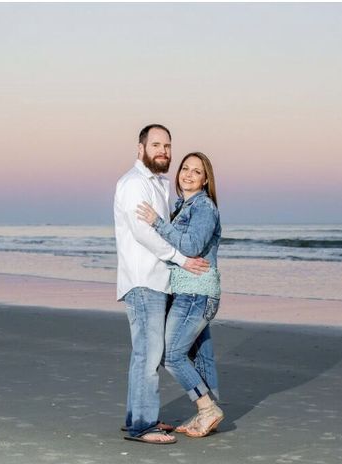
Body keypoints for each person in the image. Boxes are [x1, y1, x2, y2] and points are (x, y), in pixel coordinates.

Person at [114, 124, 209, 444]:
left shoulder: (161, 184)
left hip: (158, 279)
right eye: (156, 145)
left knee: (145, 353)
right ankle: (143, 425)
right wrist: (183, 260)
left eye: (167, 146)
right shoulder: (133, 184)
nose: (163, 151)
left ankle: (136, 417)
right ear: (140, 148)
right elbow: (144, 233)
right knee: (149, 354)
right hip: (143, 280)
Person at [136, 151, 224, 438]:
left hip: (196, 295)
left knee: (172, 355)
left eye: (196, 171)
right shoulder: (182, 206)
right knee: (195, 355)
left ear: (206, 178)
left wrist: (157, 222)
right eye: (185, 168)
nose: (187, 174)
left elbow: (190, 245)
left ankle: (208, 408)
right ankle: (205, 414)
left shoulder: (204, 208)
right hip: (187, 293)